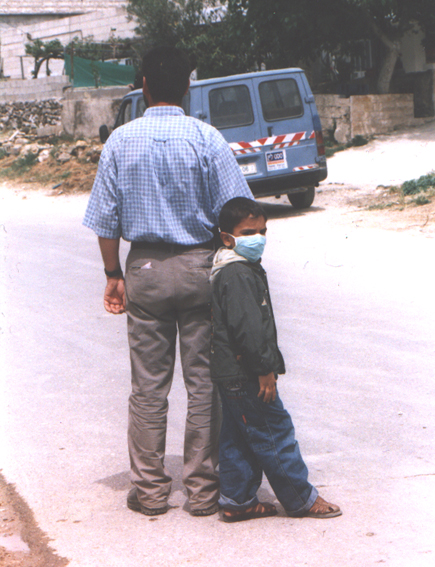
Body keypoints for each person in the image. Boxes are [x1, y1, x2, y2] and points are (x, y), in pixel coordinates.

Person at [83, 46, 253, 517]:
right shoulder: (207, 138)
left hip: (146, 272)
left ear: (143, 86)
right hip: (202, 269)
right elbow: (240, 215)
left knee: (148, 387)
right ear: (187, 87)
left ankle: (152, 491)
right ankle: (202, 489)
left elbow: (105, 221)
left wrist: (113, 275)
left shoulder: (119, 141)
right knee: (204, 384)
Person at [209, 197, 342, 522]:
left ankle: (237, 500)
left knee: (238, 436)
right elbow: (249, 332)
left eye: (263, 231)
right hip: (248, 373)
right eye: (249, 232)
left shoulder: (230, 266)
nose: (259, 238)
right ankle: (300, 499)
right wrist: (264, 371)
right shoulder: (238, 272)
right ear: (228, 237)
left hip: (230, 374)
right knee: (274, 431)